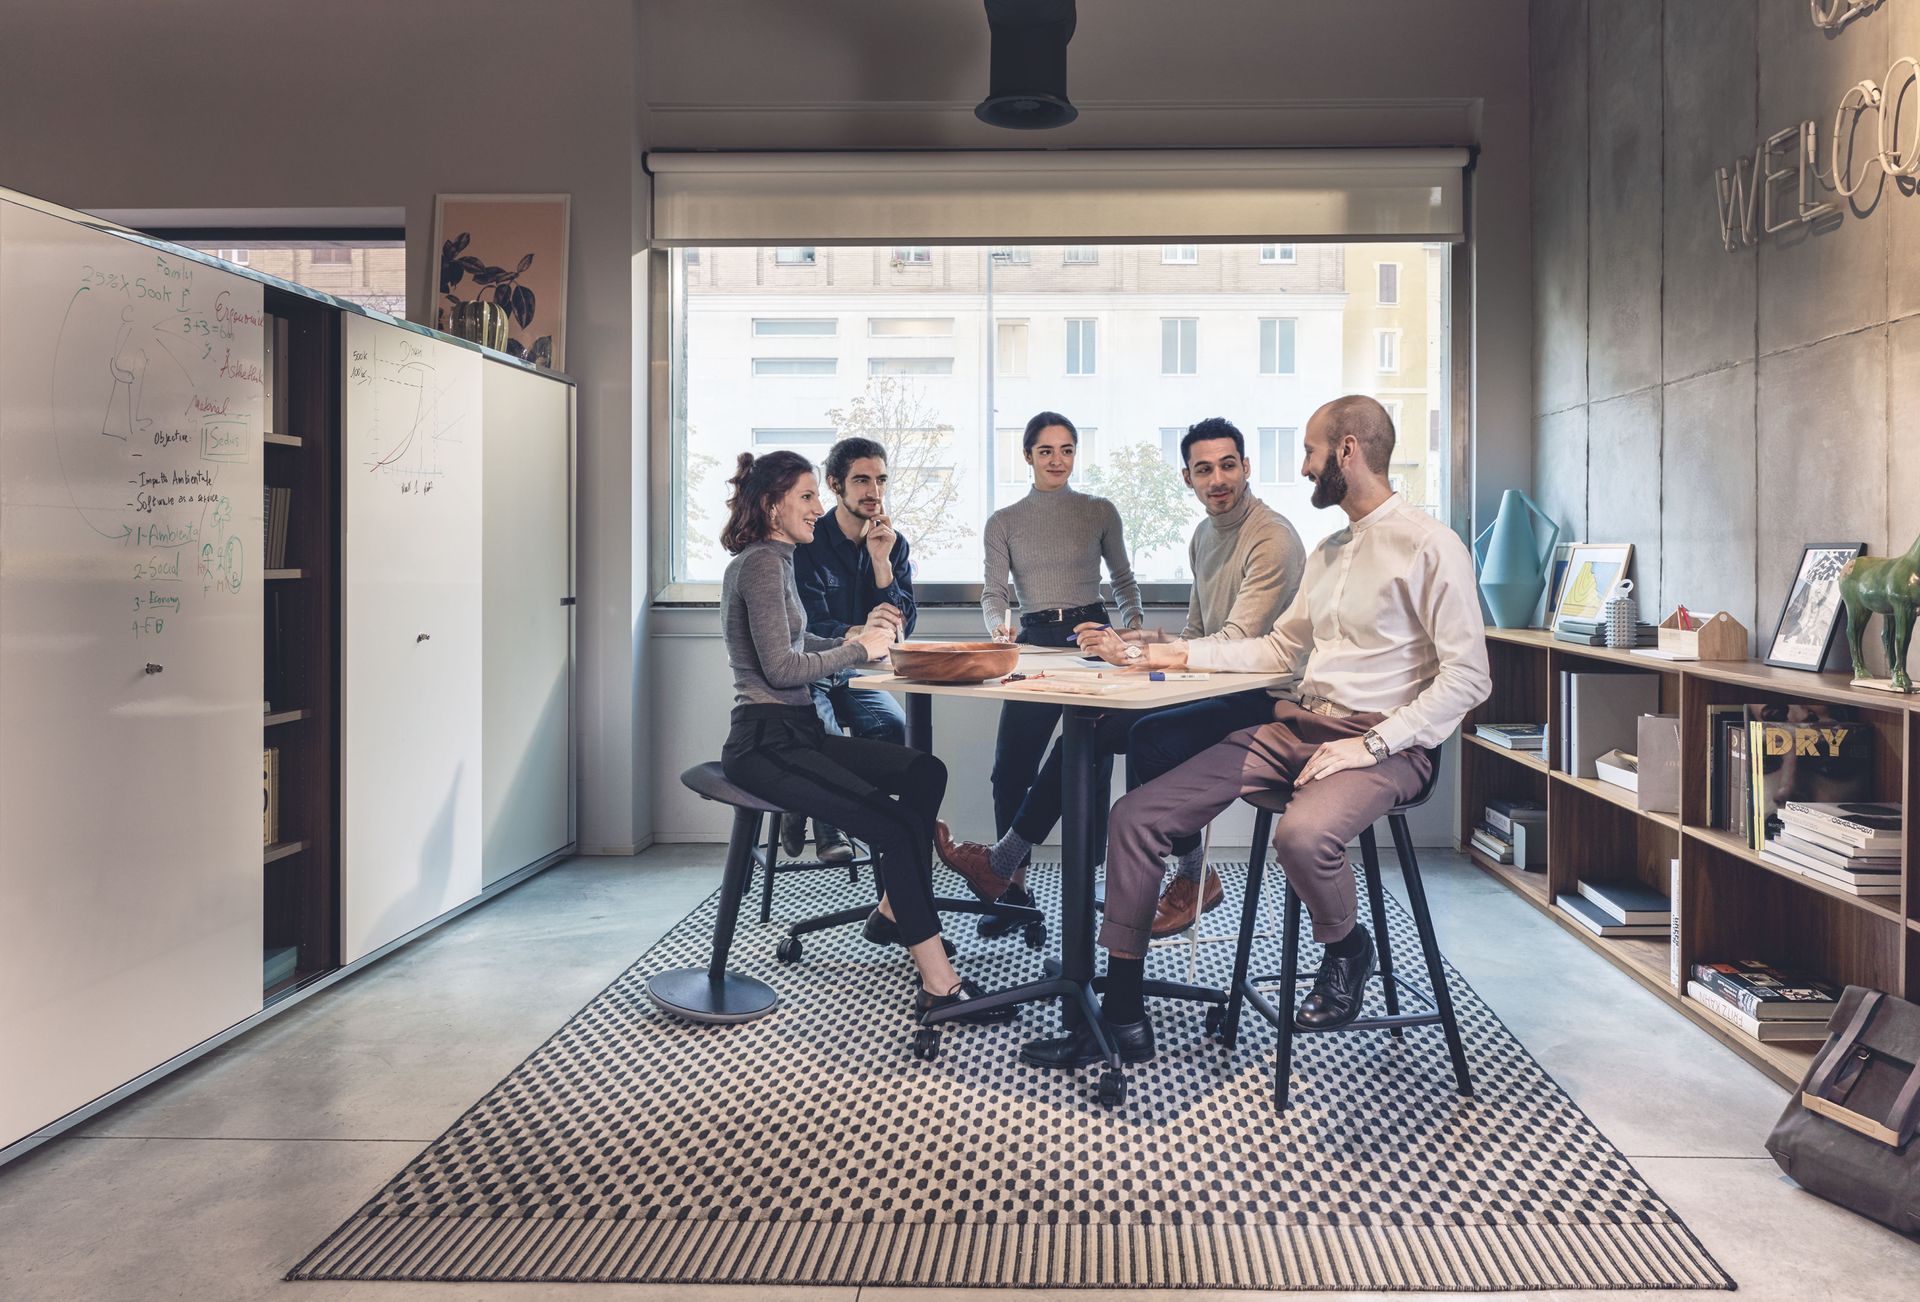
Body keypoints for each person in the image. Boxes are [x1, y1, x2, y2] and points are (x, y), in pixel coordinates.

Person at [1021, 396, 1490, 1069]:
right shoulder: (1330, 552)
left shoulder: (1428, 545)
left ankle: (1349, 949)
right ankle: (1122, 1019)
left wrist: (1373, 744)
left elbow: (1469, 678)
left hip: (1388, 742)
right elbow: (1275, 651)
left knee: (1302, 835)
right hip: (1296, 726)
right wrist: (1178, 654)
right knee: (1135, 816)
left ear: (1349, 450)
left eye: (1310, 451)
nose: (1302, 467)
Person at [716, 450, 1008, 1023]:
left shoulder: (777, 559)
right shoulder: (759, 565)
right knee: (897, 829)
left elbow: (803, 648)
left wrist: (865, 637)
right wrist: (859, 649)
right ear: (773, 506)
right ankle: (939, 985)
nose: (816, 508)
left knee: (925, 770)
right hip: (765, 741)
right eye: (806, 497)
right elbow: (780, 670)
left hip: (795, 732)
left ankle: (895, 907)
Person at [1075, 416, 1306, 937]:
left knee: (1149, 737)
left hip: (1266, 695)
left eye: (1228, 465)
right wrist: (1130, 644)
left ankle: (1189, 876)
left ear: (1247, 467)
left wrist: (1145, 658)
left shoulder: (1272, 539)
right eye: (1204, 469)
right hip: (1218, 684)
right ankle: (1009, 859)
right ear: (1188, 478)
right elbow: (1196, 632)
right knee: (1091, 721)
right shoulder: (1204, 534)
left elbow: (1234, 644)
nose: (1217, 479)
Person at [932, 412, 1142, 921]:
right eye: (1045, 451)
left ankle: (1087, 888)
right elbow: (994, 592)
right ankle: (1011, 885)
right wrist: (996, 626)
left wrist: (1132, 630)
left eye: (1066, 449)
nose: (1057, 460)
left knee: (1088, 768)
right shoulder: (1003, 521)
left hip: (1092, 637)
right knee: (1012, 770)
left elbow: (1123, 581)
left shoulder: (1099, 511)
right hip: (1034, 640)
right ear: (1027, 456)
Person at [786, 436, 916, 865]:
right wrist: (859, 633)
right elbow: (806, 625)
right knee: (822, 733)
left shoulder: (893, 544)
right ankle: (829, 824)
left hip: (860, 676)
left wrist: (881, 564)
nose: (873, 492)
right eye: (861, 480)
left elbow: (905, 627)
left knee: (894, 729)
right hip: (812, 670)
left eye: (880, 480)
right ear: (835, 484)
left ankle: (854, 816)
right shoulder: (807, 541)